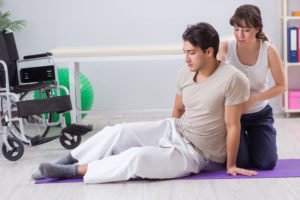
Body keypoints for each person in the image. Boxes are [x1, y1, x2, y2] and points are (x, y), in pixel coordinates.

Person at [32, 22, 257, 184]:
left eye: (192, 53)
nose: (186, 58)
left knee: (137, 158)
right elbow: (178, 110)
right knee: (118, 131)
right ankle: (67, 158)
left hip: (196, 153)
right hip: (174, 129)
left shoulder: (233, 79)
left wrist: (230, 165)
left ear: (209, 52)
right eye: (184, 52)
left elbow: (232, 125)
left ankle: (72, 171)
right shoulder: (185, 72)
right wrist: (163, 138)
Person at [218, 4, 286, 170]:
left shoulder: (269, 51)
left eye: (246, 30)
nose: (240, 35)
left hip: (259, 114)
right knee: (241, 162)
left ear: (257, 29)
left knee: (266, 163)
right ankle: (241, 142)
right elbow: (215, 75)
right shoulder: (226, 46)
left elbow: (281, 86)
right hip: (234, 115)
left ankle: (256, 139)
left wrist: (253, 99)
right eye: (236, 29)